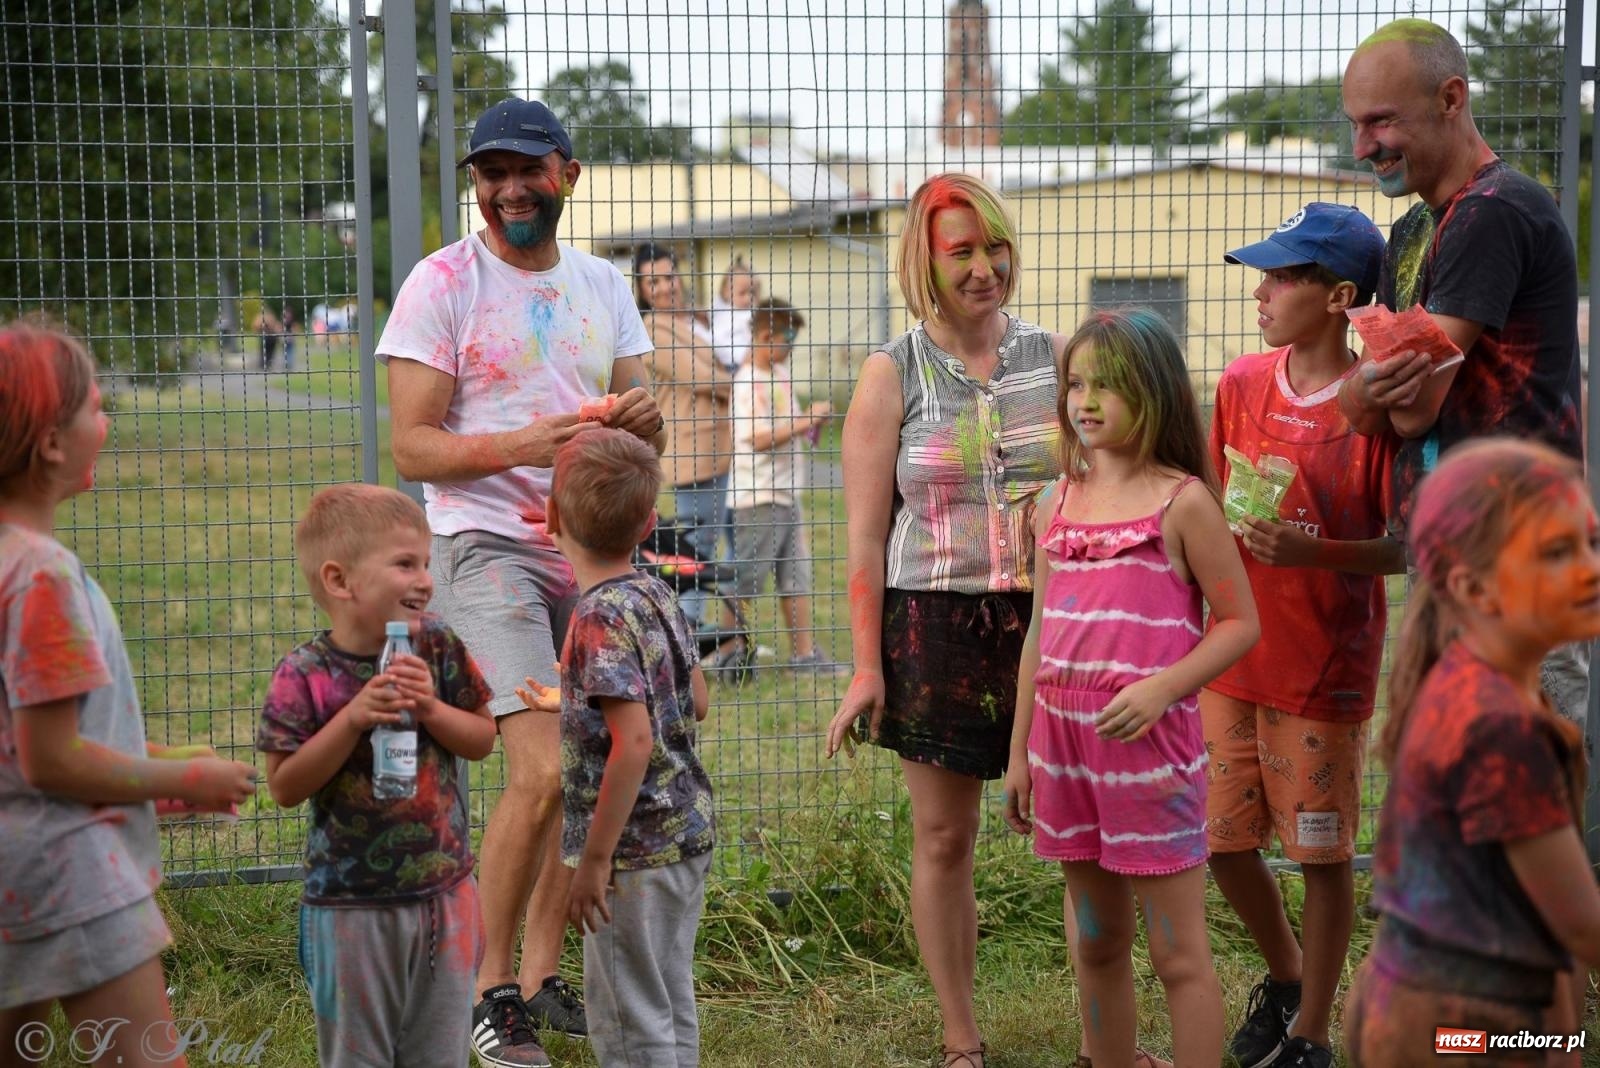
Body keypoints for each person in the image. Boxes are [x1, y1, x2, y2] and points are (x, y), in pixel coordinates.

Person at [376, 96, 665, 1068]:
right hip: (484, 545)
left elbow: (637, 413)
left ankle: (539, 983)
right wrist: (526, 444)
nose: (507, 192)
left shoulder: (601, 285)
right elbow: (410, 442)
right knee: (537, 767)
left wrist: (638, 421)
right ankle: (484, 989)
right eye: (489, 174)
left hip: (583, 555)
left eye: (526, 171)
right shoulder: (441, 282)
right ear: (475, 184)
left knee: (581, 770)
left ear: (567, 175)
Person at [823, 174, 1067, 1068]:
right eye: (960, 251)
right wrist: (865, 665)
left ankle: (1101, 1024)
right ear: (925, 262)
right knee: (944, 835)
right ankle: (962, 1036)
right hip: (933, 621)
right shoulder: (892, 371)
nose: (983, 268)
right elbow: (861, 534)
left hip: (1057, 616)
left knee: (1080, 825)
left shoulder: (1055, 354)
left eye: (993, 246)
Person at [1002, 308, 1259, 1068]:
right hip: (1064, 755)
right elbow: (1038, 639)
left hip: (1151, 760)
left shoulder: (1182, 502)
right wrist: (1019, 755)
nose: (1085, 400)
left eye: (1108, 385)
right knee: (1097, 940)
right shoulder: (1055, 504)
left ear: (1152, 394)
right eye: (1075, 382)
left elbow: (1239, 622)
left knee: (1179, 954)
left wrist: (1161, 690)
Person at [0, 319, 257, 1065]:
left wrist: (152, 774)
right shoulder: (40, 575)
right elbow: (50, 761)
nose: (105, 423)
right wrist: (182, 777)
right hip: (70, 876)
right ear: (52, 441)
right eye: (95, 407)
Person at [1336, 20, 1586, 725]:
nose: (1363, 148)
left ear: (1451, 98)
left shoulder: (1493, 210)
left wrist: (1377, 391)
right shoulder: (1414, 229)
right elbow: (1357, 406)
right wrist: (1372, 391)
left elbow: (1411, 409)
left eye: (1381, 121)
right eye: (1355, 125)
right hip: (1454, 545)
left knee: (1525, 795)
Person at [1202, 204, 1403, 1068]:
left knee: (1318, 857)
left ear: (1339, 296)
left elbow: (1408, 542)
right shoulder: (1240, 383)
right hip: (1228, 656)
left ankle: (1314, 1034)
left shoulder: (1376, 410)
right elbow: (1209, 502)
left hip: (1322, 673)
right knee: (1218, 841)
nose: (1263, 290)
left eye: (1285, 277)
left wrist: (1319, 553)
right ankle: (1286, 978)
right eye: (1266, 274)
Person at [1342, 439, 1600, 1067]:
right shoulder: (1503, 733)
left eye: (1593, 541)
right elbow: (1580, 924)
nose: (1592, 567)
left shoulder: (1458, 681)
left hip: (1409, 1003)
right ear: (1474, 588)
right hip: (1464, 1029)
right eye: (1557, 552)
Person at [258, 483, 498, 1068]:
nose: (424, 579)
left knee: (438, 1051)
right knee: (359, 1055)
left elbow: (484, 738)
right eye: (404, 564)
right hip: (351, 907)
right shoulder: (306, 674)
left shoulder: (437, 647)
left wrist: (435, 710)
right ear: (341, 582)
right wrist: (352, 719)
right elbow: (285, 786)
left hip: (445, 895)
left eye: (424, 562)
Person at [516, 429, 713, 1068]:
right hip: (687, 837)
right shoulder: (657, 592)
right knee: (666, 996)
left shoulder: (596, 616)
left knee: (628, 1019)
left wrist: (594, 861)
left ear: (549, 517)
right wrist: (576, 697)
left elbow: (632, 744)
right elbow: (695, 698)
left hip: (633, 856)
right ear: (649, 521)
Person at [727, 298, 845, 674]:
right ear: (767, 336)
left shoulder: (779, 375)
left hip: (786, 494)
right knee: (747, 579)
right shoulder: (747, 382)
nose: (792, 348)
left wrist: (813, 425)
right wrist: (801, 423)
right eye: (789, 339)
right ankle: (731, 651)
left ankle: (804, 655)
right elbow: (755, 438)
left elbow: (793, 429)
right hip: (758, 497)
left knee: (796, 576)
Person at [635, 243, 737, 656]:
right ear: (642, 289)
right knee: (696, 553)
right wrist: (738, 380)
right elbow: (701, 378)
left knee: (711, 546)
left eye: (669, 276)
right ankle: (686, 638)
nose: (664, 287)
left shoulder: (694, 321)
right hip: (691, 454)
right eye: (653, 281)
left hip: (720, 447)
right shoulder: (652, 328)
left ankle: (704, 638)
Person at [709, 255, 761, 371]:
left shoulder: (752, 313)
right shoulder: (721, 309)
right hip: (721, 362)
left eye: (752, 292)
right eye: (742, 293)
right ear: (726, 292)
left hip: (743, 363)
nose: (748, 298)